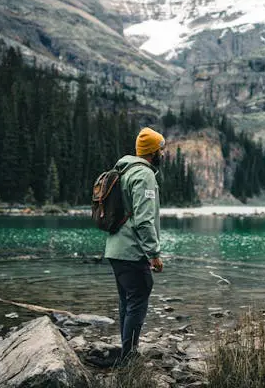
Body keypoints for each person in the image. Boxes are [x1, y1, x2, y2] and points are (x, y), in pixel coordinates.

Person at [105, 127, 165, 363]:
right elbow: (143, 219)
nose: (164, 154)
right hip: (132, 251)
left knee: (127, 301)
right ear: (153, 151)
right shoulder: (144, 175)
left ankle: (126, 352)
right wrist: (154, 254)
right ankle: (129, 357)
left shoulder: (124, 170)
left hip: (115, 248)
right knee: (138, 299)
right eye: (162, 149)